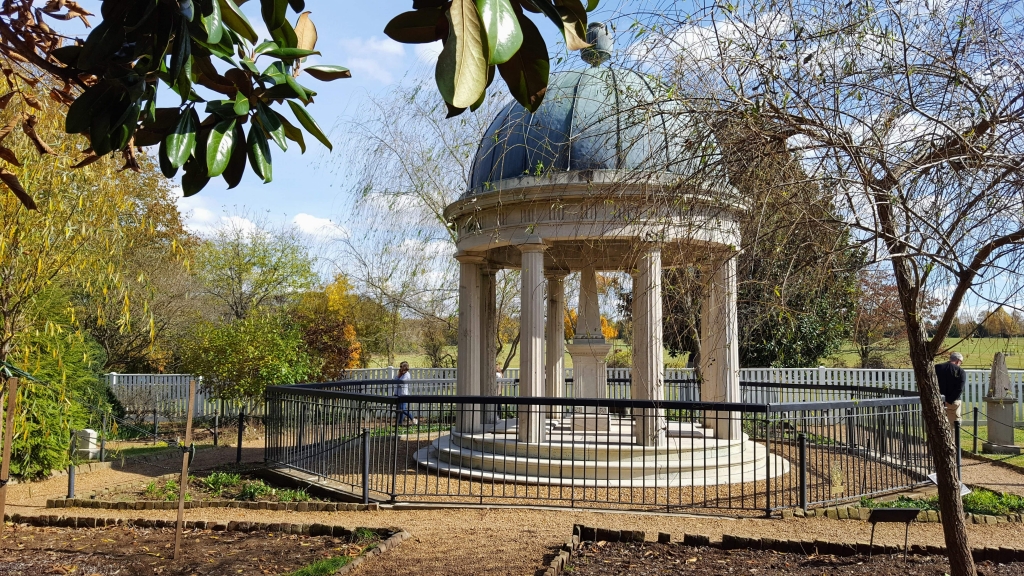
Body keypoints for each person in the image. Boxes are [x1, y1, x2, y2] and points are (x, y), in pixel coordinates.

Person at [935, 351, 966, 428]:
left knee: (937, 425)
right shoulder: (960, 371)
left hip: (937, 400)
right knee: (953, 425)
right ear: (958, 361)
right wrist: (949, 400)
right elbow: (959, 388)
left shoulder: (937, 367)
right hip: (953, 402)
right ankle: (953, 440)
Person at [395, 361, 417, 425]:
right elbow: (395, 380)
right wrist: (398, 375)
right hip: (398, 393)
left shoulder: (407, 374)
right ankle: (400, 423)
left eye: (401, 367)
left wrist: (398, 379)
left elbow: (401, 383)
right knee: (400, 409)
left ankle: (412, 418)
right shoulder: (401, 374)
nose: (400, 368)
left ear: (404, 367)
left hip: (403, 394)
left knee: (402, 409)